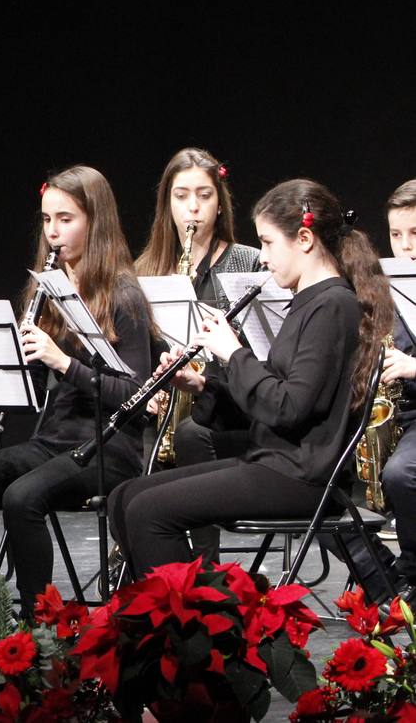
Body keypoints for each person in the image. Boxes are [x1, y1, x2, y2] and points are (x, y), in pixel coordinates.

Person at [108, 178, 395, 577]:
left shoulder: (333, 306)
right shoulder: (309, 302)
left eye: (268, 242)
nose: (262, 257)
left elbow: (288, 408)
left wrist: (234, 352)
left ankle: (202, 624)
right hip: (274, 462)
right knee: (125, 495)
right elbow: (271, 404)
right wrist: (205, 386)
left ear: (305, 239)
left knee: (148, 511)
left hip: (300, 477)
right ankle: (154, 621)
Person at [0, 166, 155, 622]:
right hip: (52, 443)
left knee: (21, 498)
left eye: (65, 219)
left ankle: (38, 626)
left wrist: (63, 362)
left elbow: (136, 394)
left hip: (107, 447)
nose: (53, 232)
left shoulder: (124, 295)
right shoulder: (46, 288)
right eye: (48, 220)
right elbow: (29, 389)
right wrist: (9, 365)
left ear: (96, 221)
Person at [131, 148, 260, 560]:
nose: (193, 207)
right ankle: (149, 557)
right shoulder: (145, 269)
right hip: (171, 406)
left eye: (204, 195)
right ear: (166, 203)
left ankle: (205, 567)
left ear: (219, 202)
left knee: (190, 435)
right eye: (181, 196)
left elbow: (258, 354)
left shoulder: (248, 262)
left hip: (228, 409)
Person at [331, 179, 416, 599]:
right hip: (397, 412)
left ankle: (412, 573)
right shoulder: (394, 286)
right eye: (397, 235)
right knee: (317, 471)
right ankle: (382, 577)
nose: (406, 247)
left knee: (402, 474)